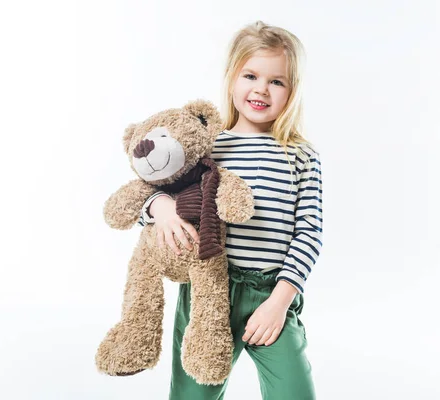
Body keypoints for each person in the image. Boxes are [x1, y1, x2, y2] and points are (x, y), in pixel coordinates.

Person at [138, 20, 323, 399]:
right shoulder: (207, 146)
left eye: (277, 81)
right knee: (193, 395)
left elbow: (309, 233)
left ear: (293, 90)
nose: (261, 89)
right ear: (231, 78)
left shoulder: (301, 155)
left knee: (294, 393)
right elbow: (145, 189)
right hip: (209, 292)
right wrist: (164, 209)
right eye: (251, 75)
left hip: (271, 294)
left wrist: (279, 301)